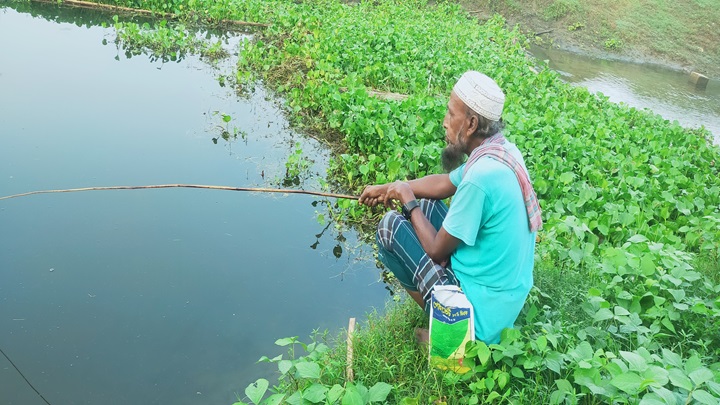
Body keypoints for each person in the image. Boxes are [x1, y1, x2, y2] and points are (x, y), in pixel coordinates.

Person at [358, 71, 542, 344]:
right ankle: (446, 318)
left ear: (470, 124)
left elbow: (435, 249)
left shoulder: (481, 179)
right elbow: (444, 183)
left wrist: (407, 202)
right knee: (428, 206)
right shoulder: (501, 153)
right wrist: (390, 187)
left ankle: (449, 336)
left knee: (389, 228)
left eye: (450, 113)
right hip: (502, 301)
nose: (444, 123)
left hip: (482, 319)